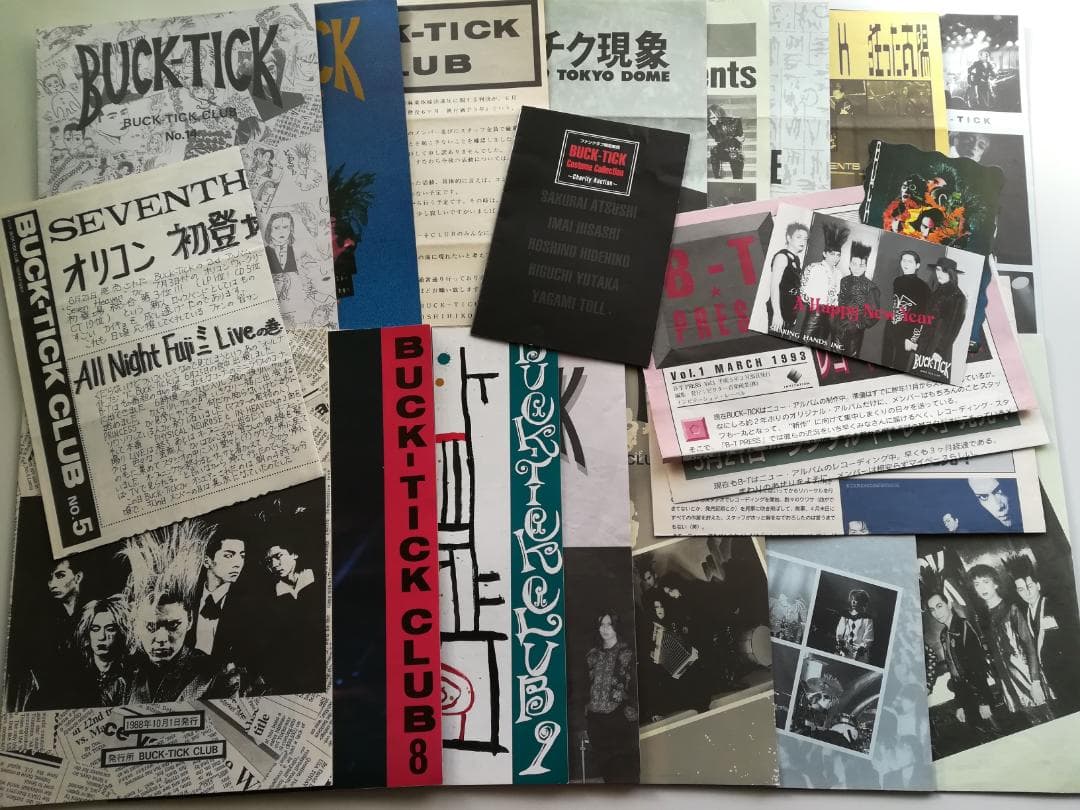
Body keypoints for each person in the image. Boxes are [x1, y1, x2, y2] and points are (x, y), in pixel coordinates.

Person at [969, 564, 1051, 723]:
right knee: (1033, 723)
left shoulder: (1011, 609)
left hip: (1027, 676)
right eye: (977, 584)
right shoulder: (982, 618)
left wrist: (1035, 681)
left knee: (1047, 718)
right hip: (1008, 682)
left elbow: (1029, 645)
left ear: (995, 584)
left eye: (986, 582)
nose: (982, 588)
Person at [1003, 554, 1074, 713]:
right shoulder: (1025, 614)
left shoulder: (1055, 605)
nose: (1027, 592)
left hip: (1071, 671)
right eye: (1021, 589)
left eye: (1030, 586)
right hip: (1052, 678)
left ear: (1038, 585)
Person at [925, 591, 996, 731]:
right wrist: (960, 705)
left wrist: (983, 701)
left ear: (949, 605)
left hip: (979, 695)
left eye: (939, 606)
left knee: (996, 732)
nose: (936, 613)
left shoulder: (964, 626)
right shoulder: (944, 634)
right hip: (966, 697)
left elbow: (978, 666)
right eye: (932, 610)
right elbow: (954, 672)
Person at [582, 612, 638, 783]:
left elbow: (635, 687)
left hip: (620, 720)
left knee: (623, 772)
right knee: (607, 772)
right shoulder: (592, 655)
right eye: (602, 624)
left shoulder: (628, 653)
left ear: (616, 627)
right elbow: (584, 687)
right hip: (596, 722)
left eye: (609, 624)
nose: (605, 629)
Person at [262, 539, 323, 693]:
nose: (274, 564)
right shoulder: (271, 596)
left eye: (278, 556)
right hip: (294, 671)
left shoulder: (320, 577)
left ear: (294, 554)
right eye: (268, 561)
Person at [190, 533, 249, 665]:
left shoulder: (247, 603)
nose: (238, 564)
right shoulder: (189, 596)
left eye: (242, 556)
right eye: (228, 556)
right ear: (207, 561)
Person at [912, 257, 967, 376]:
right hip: (924, 343)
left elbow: (953, 328)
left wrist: (939, 351)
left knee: (930, 378)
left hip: (938, 347)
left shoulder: (958, 297)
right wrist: (918, 340)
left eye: (944, 271)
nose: (939, 274)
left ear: (951, 273)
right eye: (938, 269)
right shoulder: (937, 292)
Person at [74, 596, 131, 707]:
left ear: (121, 633)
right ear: (87, 633)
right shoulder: (77, 677)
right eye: (95, 629)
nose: (102, 637)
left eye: (110, 629)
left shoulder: (131, 679)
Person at [797, 222, 847, 343]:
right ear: (824, 253)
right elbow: (803, 291)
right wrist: (816, 306)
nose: (835, 258)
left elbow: (838, 296)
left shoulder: (839, 274)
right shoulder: (814, 267)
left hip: (829, 317)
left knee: (820, 346)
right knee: (805, 343)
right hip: (814, 315)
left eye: (838, 255)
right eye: (832, 254)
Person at [881, 249, 930, 369]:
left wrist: (912, 339)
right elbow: (896, 304)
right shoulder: (897, 281)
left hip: (907, 332)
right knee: (884, 362)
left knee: (900, 365)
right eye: (903, 260)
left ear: (917, 265)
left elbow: (923, 315)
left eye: (910, 261)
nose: (905, 264)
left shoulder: (923, 287)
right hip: (891, 326)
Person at [835, 241, 880, 354]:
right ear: (850, 264)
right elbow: (840, 302)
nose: (857, 268)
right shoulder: (844, 281)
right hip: (838, 330)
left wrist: (859, 325)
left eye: (861, 265)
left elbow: (874, 314)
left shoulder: (871, 287)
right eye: (854, 264)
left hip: (854, 333)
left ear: (865, 267)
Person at [768, 221, 810, 332]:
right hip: (780, 308)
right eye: (799, 237)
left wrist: (794, 314)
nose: (803, 241)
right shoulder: (782, 257)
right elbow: (774, 286)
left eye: (805, 239)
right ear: (789, 238)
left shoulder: (796, 259)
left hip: (789, 311)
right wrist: (777, 314)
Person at [265, 212, 299, 300]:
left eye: (285, 227)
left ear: (291, 229)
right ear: (270, 230)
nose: (281, 231)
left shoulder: (297, 251)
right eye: (276, 228)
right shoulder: (265, 252)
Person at [835, 589, 874, 663]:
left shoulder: (867, 619)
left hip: (859, 655)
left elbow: (868, 638)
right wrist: (841, 645)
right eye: (852, 599)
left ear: (862, 602)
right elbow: (839, 632)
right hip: (844, 651)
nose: (853, 602)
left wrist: (860, 650)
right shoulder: (845, 616)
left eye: (856, 600)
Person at [707, 105, 745, 180]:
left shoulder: (733, 121)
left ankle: (737, 179)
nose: (714, 119)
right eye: (711, 117)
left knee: (734, 151)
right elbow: (719, 139)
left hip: (734, 148)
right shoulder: (711, 127)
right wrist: (716, 126)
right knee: (714, 151)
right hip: (723, 148)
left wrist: (737, 138)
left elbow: (740, 138)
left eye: (716, 117)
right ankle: (717, 177)